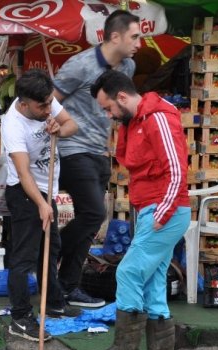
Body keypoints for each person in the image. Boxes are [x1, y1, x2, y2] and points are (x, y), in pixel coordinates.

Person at [84, 70, 190, 350]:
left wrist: (162, 213)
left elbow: (177, 169)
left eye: (108, 108)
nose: (108, 115)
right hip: (154, 209)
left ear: (121, 97)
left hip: (163, 210)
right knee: (154, 284)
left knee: (128, 272)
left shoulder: (157, 117)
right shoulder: (137, 120)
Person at [53, 10, 141, 308]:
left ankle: (67, 286)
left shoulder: (127, 67)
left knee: (90, 223)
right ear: (115, 36)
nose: (139, 43)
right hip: (72, 149)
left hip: (101, 153)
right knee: (93, 213)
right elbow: (49, 101)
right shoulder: (80, 65)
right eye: (135, 36)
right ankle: (48, 254)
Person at [1, 69, 80, 342]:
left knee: (50, 248)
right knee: (24, 257)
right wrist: (41, 204)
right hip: (25, 193)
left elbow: (72, 124)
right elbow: (23, 174)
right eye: (42, 106)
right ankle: (20, 317)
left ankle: (54, 303)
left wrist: (59, 127)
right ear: (24, 104)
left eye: (50, 103)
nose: (49, 109)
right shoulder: (12, 125)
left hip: (47, 188)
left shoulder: (44, 99)